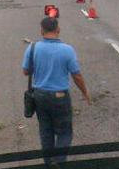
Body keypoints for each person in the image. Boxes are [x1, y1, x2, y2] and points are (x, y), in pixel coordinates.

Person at [22, 17, 91, 166]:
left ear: (42, 31)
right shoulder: (67, 50)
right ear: (58, 30)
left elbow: (25, 71)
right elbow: (76, 75)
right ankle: (59, 161)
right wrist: (85, 92)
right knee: (65, 132)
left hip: (39, 96)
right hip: (60, 96)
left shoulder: (33, 48)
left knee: (46, 132)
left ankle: (49, 163)